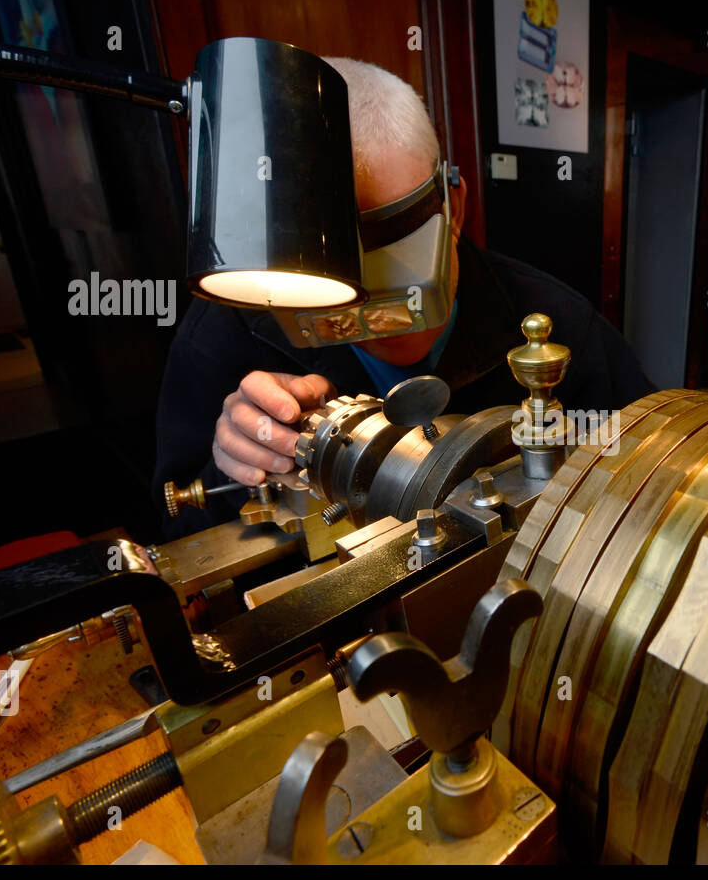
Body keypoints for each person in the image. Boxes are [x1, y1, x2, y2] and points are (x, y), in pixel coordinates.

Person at [153, 58, 654, 537]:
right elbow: (177, 533)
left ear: (454, 208)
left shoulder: (562, 324)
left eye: (399, 265)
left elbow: (651, 483)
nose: (380, 321)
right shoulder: (228, 332)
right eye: (336, 301)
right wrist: (238, 462)